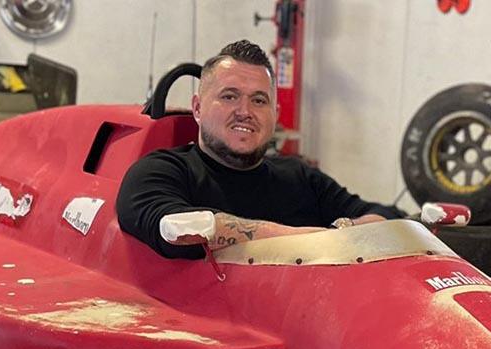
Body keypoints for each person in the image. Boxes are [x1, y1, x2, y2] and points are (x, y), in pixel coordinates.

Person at [117, 40, 403, 259]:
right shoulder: (160, 172)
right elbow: (177, 228)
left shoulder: (299, 176)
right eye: (230, 96)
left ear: (274, 114)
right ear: (198, 108)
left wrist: (345, 230)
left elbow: (383, 215)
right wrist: (323, 239)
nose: (245, 112)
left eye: (258, 100)